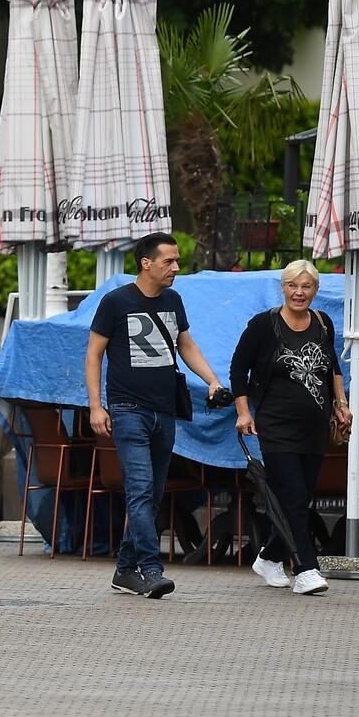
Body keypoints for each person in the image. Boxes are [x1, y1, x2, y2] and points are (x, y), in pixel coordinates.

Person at [84, 232, 225, 600]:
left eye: (177, 261)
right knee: (141, 490)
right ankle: (150, 569)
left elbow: (186, 345)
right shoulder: (115, 303)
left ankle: (124, 571)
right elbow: (93, 355)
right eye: (169, 261)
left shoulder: (174, 300)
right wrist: (96, 405)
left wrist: (211, 380)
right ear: (146, 263)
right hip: (128, 410)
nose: (176, 268)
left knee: (152, 493)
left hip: (165, 410)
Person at [230, 261, 347, 596]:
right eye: (293, 286)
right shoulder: (264, 325)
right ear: (283, 288)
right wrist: (243, 412)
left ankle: (269, 557)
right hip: (276, 426)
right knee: (294, 497)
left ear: (315, 290)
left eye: (306, 286)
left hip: (315, 427)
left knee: (301, 497)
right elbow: (239, 370)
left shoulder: (323, 323)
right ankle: (307, 568)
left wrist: (341, 404)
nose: (299, 293)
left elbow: (333, 368)